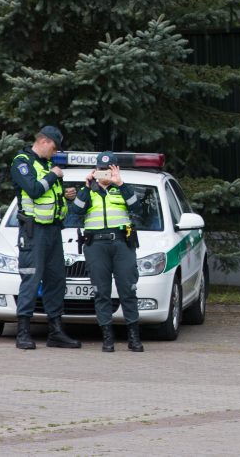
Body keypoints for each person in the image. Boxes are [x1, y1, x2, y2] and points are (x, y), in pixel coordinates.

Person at [10, 126, 82, 350]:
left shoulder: (48, 165)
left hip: (53, 231)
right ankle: (23, 332)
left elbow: (51, 196)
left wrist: (66, 195)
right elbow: (32, 189)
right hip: (34, 232)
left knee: (56, 280)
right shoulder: (22, 162)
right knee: (31, 279)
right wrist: (53, 176)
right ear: (44, 141)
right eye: (54, 147)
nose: (55, 151)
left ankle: (56, 332)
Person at [70, 151, 144, 352]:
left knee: (128, 290)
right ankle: (107, 338)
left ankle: (134, 338)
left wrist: (120, 183)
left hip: (122, 244)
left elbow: (137, 208)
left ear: (116, 169)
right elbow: (76, 211)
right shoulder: (88, 191)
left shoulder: (123, 189)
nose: (105, 173)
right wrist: (86, 186)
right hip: (96, 246)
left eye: (109, 169)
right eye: (101, 169)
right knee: (101, 292)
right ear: (95, 170)